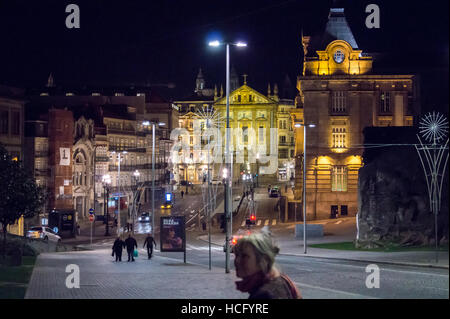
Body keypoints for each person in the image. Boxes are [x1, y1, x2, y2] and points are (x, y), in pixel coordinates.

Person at [233, 229, 302, 299]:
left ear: (264, 260)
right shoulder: (282, 281)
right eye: (236, 255)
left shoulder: (263, 295)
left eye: (244, 256)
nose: (237, 260)